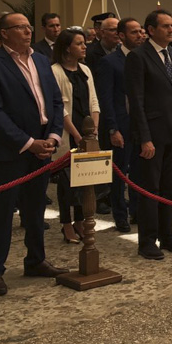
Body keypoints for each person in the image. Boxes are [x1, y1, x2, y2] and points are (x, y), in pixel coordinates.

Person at [0, 12, 67, 296]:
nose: (28, 32)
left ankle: (36, 260)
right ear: (3, 33)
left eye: (29, 27)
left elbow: (54, 100)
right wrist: (28, 142)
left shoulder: (41, 60)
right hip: (11, 150)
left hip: (43, 146)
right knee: (1, 212)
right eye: (20, 28)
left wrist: (52, 136)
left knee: (36, 208)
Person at [124, 9, 172, 260]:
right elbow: (137, 100)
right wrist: (144, 137)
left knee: (169, 187)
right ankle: (147, 240)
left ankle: (167, 234)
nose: (170, 30)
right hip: (152, 134)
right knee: (150, 189)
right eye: (165, 26)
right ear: (151, 30)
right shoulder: (138, 57)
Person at [50, 28, 100, 243]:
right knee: (66, 182)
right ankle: (66, 223)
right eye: (79, 43)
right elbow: (59, 107)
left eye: (84, 43)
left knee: (85, 180)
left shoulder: (86, 70)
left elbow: (94, 101)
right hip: (69, 132)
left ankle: (80, 220)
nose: (84, 46)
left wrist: (94, 130)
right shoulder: (55, 71)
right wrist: (78, 135)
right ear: (67, 48)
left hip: (88, 130)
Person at [95, 16, 142, 233]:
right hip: (120, 125)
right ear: (121, 36)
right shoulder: (109, 62)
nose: (139, 35)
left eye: (140, 31)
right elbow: (106, 99)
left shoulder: (142, 58)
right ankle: (120, 214)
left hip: (140, 125)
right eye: (134, 32)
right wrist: (113, 128)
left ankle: (136, 211)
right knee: (119, 173)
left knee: (139, 171)